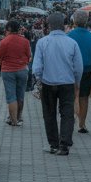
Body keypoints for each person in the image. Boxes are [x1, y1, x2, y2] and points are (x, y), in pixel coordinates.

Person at [31, 12, 82, 156]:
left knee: (49, 113)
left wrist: (39, 80)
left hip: (48, 83)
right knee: (67, 113)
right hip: (67, 83)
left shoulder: (42, 42)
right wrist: (77, 81)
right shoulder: (72, 43)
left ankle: (53, 144)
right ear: (64, 25)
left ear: (49, 26)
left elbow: (37, 67)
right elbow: (78, 67)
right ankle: (64, 145)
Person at [68, 10, 91, 134]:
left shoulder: (68, 36)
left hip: (70, 71)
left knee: (72, 96)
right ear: (87, 21)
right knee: (84, 98)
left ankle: (71, 119)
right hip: (87, 71)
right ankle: (82, 124)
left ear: (74, 21)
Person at [0, 19, 33, 127]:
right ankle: (19, 117)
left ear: (8, 29)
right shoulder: (25, 41)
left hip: (8, 71)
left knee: (11, 96)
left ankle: (14, 121)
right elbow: (29, 55)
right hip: (22, 70)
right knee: (20, 95)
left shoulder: (4, 42)